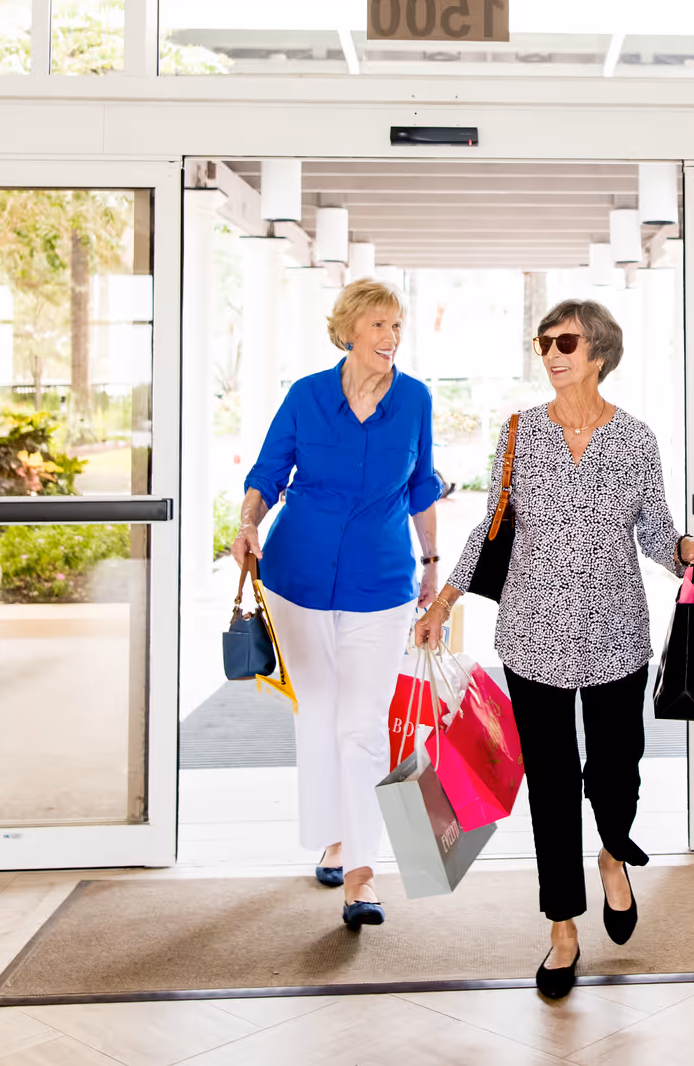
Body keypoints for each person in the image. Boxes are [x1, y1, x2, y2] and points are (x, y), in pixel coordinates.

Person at [413, 299, 694, 997]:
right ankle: (562, 927)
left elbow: (655, 529)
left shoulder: (635, 439)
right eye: (543, 342)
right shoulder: (519, 433)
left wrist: (683, 549)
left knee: (616, 770)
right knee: (551, 783)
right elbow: (491, 526)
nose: (551, 353)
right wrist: (445, 602)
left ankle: (613, 853)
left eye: (566, 342)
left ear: (599, 352)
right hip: (530, 634)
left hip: (615, 632)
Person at [234, 278, 445, 929]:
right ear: (350, 330)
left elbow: (422, 485)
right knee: (320, 713)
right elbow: (268, 473)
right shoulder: (307, 396)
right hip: (295, 579)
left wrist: (433, 568)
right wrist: (247, 522)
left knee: (362, 723)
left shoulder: (413, 400)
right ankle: (333, 836)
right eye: (380, 325)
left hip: (379, 585)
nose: (391, 338)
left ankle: (361, 872)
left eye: (397, 327)